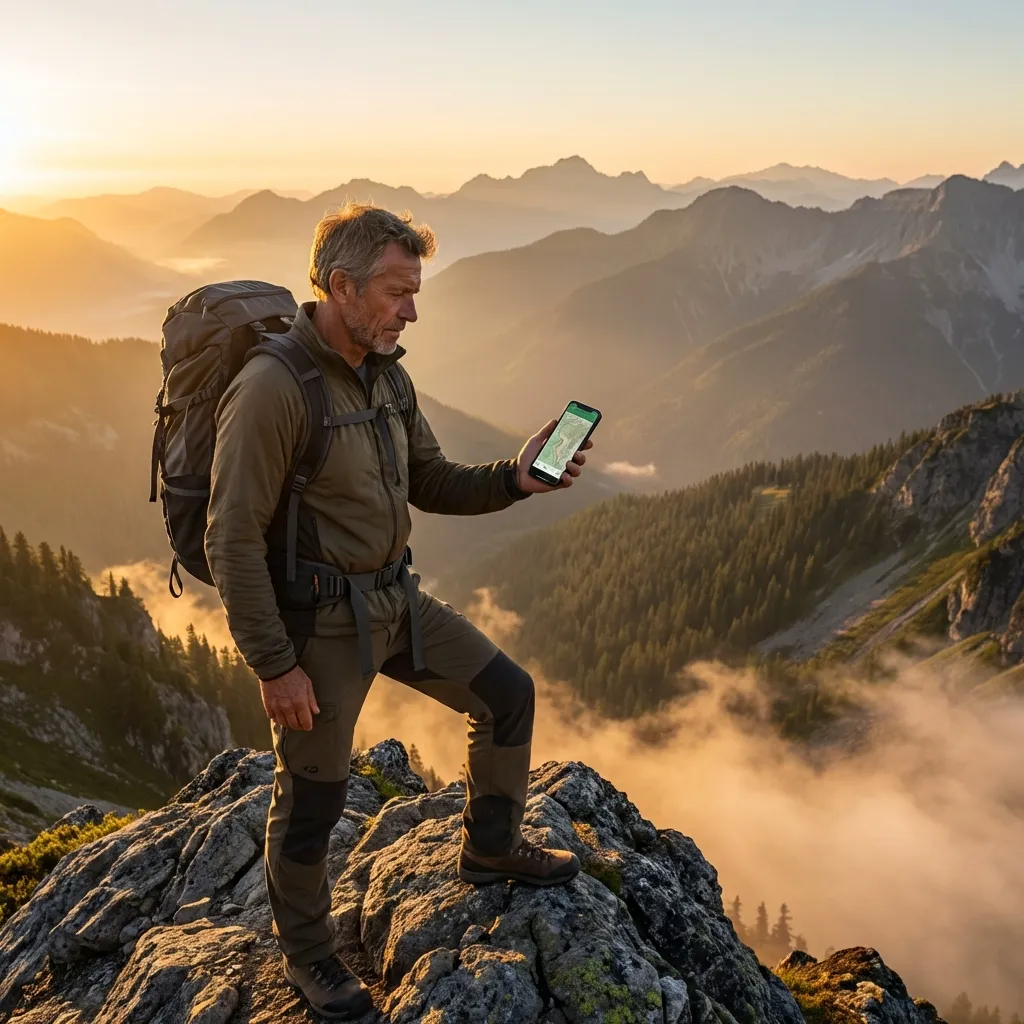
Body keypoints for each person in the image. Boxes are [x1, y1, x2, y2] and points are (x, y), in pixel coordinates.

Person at [205, 202, 592, 1020]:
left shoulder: (388, 373)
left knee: (507, 695)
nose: (412, 310)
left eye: (415, 292)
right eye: (396, 291)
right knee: (313, 797)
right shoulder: (274, 388)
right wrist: (275, 664)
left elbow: (432, 480)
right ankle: (310, 958)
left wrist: (514, 478)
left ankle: (490, 849)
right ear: (341, 285)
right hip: (320, 629)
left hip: (395, 602)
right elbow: (229, 537)